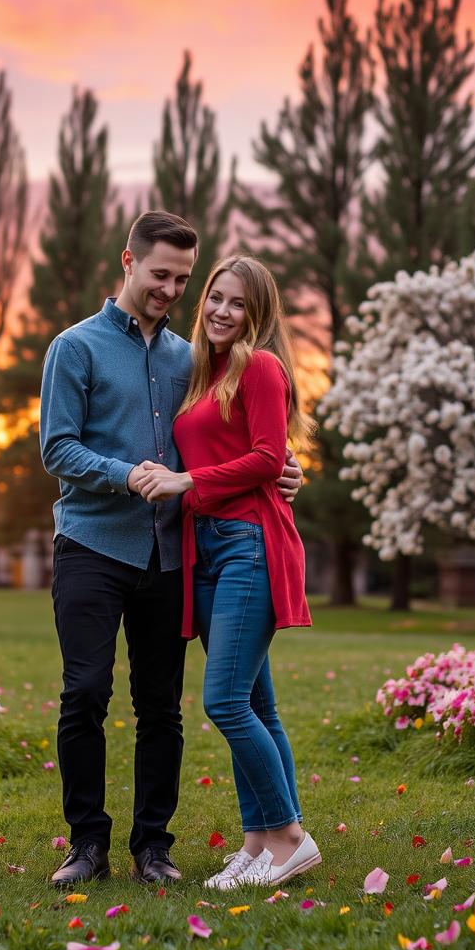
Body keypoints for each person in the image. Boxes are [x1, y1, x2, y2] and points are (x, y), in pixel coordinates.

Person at [39, 214, 302, 887]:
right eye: (160, 275)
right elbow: (56, 448)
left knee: (161, 706)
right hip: (93, 544)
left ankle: (153, 847)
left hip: (170, 553)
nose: (170, 289)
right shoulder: (77, 348)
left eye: (182, 279)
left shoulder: (193, 356)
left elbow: (241, 434)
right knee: (86, 692)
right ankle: (87, 845)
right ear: (128, 261)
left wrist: (286, 469)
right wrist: (125, 474)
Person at [135, 255, 318, 888]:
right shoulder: (201, 373)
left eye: (237, 304)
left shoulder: (261, 366)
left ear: (257, 313)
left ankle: (290, 837)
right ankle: (258, 843)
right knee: (257, 705)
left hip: (249, 543)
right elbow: (258, 452)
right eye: (215, 297)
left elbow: (270, 456)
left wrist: (187, 480)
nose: (221, 311)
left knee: (225, 701)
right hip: (207, 548)